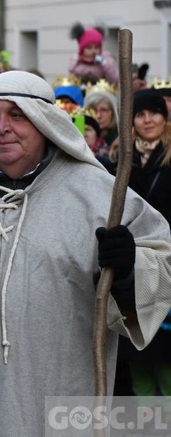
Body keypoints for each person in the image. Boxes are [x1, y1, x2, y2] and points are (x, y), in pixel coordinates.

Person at [0, 71, 171, 435]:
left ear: (44, 121)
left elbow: (161, 260)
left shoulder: (98, 196)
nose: (2, 127)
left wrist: (129, 269)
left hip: (56, 401)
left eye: (17, 115)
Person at [108, 89, 171, 400]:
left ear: (165, 118)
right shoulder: (119, 161)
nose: (148, 119)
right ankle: (145, 421)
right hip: (129, 263)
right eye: (141, 113)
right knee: (136, 348)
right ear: (131, 120)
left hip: (166, 261)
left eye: (155, 112)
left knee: (166, 352)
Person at [84, 79, 119, 148]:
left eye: (103, 110)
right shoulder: (81, 138)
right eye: (93, 110)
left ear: (113, 113)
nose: (98, 116)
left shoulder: (120, 140)